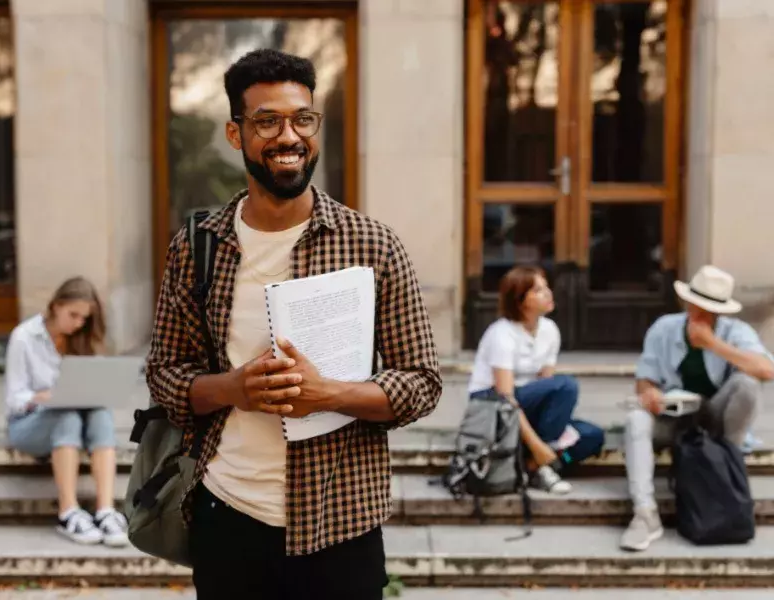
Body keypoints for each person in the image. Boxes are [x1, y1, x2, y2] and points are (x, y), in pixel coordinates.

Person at [145, 48, 441, 600]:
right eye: (267, 121)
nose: (289, 136)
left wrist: (329, 393)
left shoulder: (372, 244)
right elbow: (164, 372)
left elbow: (422, 383)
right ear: (237, 135)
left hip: (341, 519)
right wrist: (233, 389)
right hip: (227, 512)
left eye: (303, 119)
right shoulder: (198, 245)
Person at [620, 265, 774, 552]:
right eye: (696, 306)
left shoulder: (735, 332)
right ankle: (645, 513)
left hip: (716, 425)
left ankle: (721, 471)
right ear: (687, 302)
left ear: (720, 312)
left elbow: (766, 370)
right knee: (635, 419)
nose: (700, 314)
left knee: (747, 384)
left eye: (709, 310)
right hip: (673, 418)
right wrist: (650, 393)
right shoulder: (664, 328)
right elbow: (644, 381)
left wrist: (713, 344)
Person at [3, 277, 128, 547]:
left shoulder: (81, 339)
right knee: (66, 416)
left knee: (100, 412)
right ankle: (68, 512)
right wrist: (43, 397)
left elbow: (89, 385)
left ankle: (106, 510)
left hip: (74, 420)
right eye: (73, 315)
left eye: (84, 318)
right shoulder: (24, 337)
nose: (78, 323)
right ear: (56, 306)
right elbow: (14, 399)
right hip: (27, 425)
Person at [467, 266, 605, 494]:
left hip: (528, 404)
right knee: (567, 385)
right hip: (494, 407)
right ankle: (542, 463)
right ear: (521, 301)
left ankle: (532, 466)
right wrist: (536, 444)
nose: (548, 293)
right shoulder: (501, 334)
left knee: (592, 436)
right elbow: (505, 397)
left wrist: (543, 442)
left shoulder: (550, 330)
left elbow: (547, 389)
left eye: (546, 287)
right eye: (539, 290)